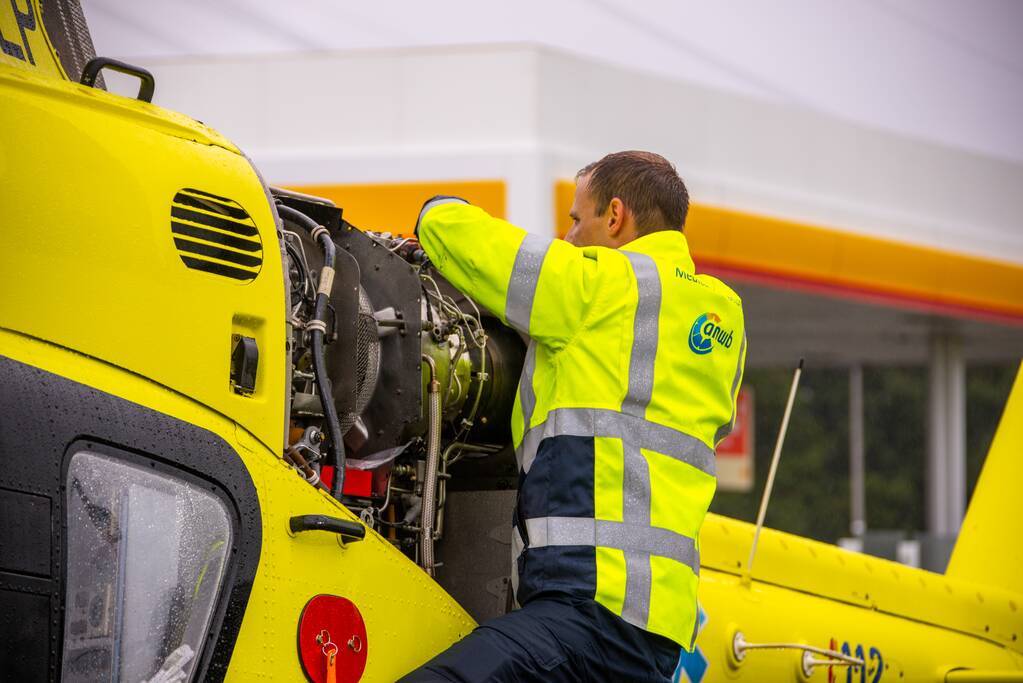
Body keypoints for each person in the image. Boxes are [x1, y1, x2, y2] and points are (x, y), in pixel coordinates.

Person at [401, 151, 746, 682]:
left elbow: (459, 234)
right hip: (660, 634)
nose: (568, 237)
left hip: (587, 609)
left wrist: (434, 207)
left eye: (576, 219)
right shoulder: (725, 318)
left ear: (615, 216)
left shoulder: (599, 285)